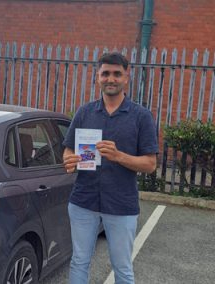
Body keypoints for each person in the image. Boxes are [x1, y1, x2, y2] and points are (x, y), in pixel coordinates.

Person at [62, 52, 158, 284]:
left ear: (127, 77)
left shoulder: (141, 117)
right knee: (79, 261)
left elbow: (150, 164)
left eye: (117, 73)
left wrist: (119, 156)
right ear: (98, 77)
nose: (111, 78)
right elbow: (67, 149)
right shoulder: (85, 112)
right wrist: (70, 160)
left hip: (122, 205)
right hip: (83, 201)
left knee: (122, 268)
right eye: (105, 73)